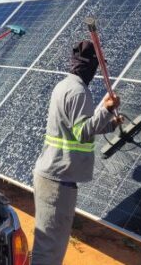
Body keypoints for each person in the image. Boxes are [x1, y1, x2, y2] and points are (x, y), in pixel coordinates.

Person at [31, 40, 122, 265]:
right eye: (96, 67)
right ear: (89, 67)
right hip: (58, 181)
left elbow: (75, 128)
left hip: (51, 174)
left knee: (47, 246)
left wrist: (109, 123)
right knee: (50, 251)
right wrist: (106, 109)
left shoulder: (64, 86)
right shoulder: (80, 92)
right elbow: (82, 132)